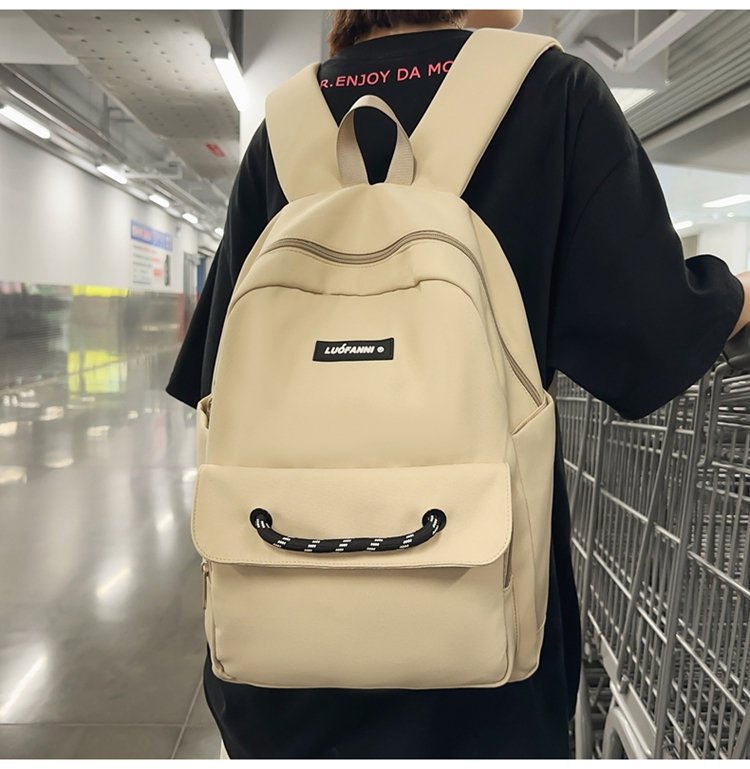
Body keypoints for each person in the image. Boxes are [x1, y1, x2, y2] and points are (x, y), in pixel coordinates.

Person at [166, 9, 750, 759]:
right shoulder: (553, 94)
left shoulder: (283, 125)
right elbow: (653, 339)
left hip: (276, 648)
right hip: (476, 657)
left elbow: (215, 375)